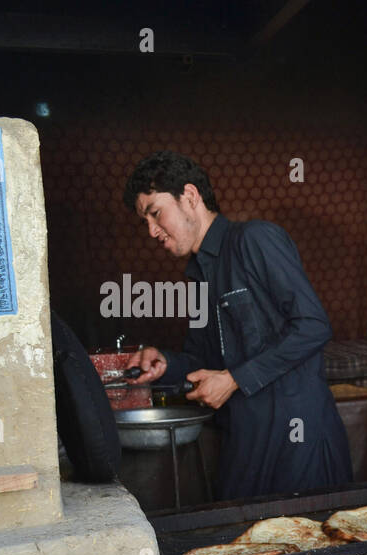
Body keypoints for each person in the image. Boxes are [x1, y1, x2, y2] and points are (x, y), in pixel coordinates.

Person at [122, 151, 351, 500]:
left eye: (155, 213)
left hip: (296, 439)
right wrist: (165, 365)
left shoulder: (255, 240)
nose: (152, 231)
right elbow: (200, 361)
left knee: (307, 548)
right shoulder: (198, 278)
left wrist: (233, 380)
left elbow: (313, 325)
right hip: (245, 444)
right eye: (146, 222)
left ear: (190, 196)